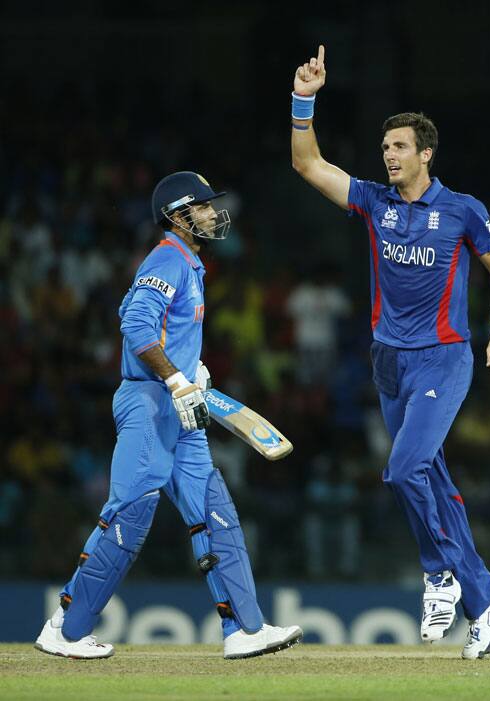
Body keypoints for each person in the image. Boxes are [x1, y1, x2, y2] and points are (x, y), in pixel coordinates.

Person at [290, 46, 490, 660]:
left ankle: (447, 574)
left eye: (398, 147)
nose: (387, 155)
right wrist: (304, 99)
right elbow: (308, 165)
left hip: (444, 358)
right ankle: (484, 598)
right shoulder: (372, 201)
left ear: (425, 154)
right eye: (384, 147)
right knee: (432, 479)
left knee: (404, 470)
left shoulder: (463, 211)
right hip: (388, 362)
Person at [35, 171, 302, 660]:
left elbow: (138, 311)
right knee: (130, 514)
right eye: (203, 207)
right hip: (150, 403)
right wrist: (174, 378)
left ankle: (245, 629)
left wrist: (189, 368)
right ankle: (66, 631)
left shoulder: (189, 265)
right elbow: (135, 323)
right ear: (179, 216)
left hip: (181, 408)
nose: (213, 215)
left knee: (214, 511)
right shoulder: (167, 257)